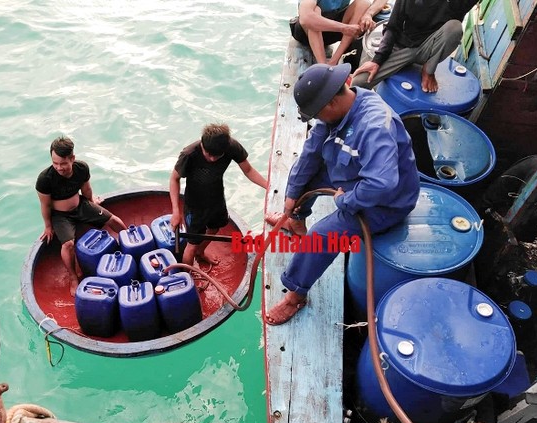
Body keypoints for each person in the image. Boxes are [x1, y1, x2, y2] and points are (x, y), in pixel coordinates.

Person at [264, 63, 420, 325]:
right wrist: (293, 196)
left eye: (316, 114)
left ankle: (296, 296)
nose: (316, 120)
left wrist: (345, 200)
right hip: (352, 175)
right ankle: (296, 221)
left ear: (329, 105)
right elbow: (311, 153)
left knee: (322, 235)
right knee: (305, 180)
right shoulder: (338, 112)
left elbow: (382, 184)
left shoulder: (375, 125)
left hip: (384, 203)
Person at [36, 136, 127, 296]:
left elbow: (86, 190)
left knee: (112, 219)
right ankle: (73, 277)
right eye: (55, 163)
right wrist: (48, 226)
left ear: (72, 158)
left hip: (81, 205)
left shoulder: (81, 168)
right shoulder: (45, 179)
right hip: (61, 216)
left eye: (63, 163)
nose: (59, 167)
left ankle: (130, 244)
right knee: (68, 244)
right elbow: (45, 205)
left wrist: (93, 202)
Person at [169, 123, 268, 267]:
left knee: (215, 228)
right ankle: (187, 279)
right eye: (208, 154)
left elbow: (248, 170)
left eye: (218, 156)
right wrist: (176, 212)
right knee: (192, 244)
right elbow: (174, 179)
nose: (213, 159)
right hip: (194, 205)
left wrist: (268, 186)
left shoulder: (231, 147)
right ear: (202, 144)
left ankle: (201, 253)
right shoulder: (189, 154)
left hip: (216, 198)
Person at [351, 0, 477, 93]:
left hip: (429, 48)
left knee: (455, 28)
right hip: (402, 47)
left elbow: (452, 32)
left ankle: (428, 71)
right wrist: (377, 60)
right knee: (358, 82)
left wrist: (430, 69)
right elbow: (393, 27)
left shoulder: (458, 4)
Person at [297, 0, 387, 66]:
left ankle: (334, 61)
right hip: (307, 33)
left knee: (363, 3)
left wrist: (368, 14)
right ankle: (323, 65)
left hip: (334, 29)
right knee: (315, 12)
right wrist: (344, 28)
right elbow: (305, 19)